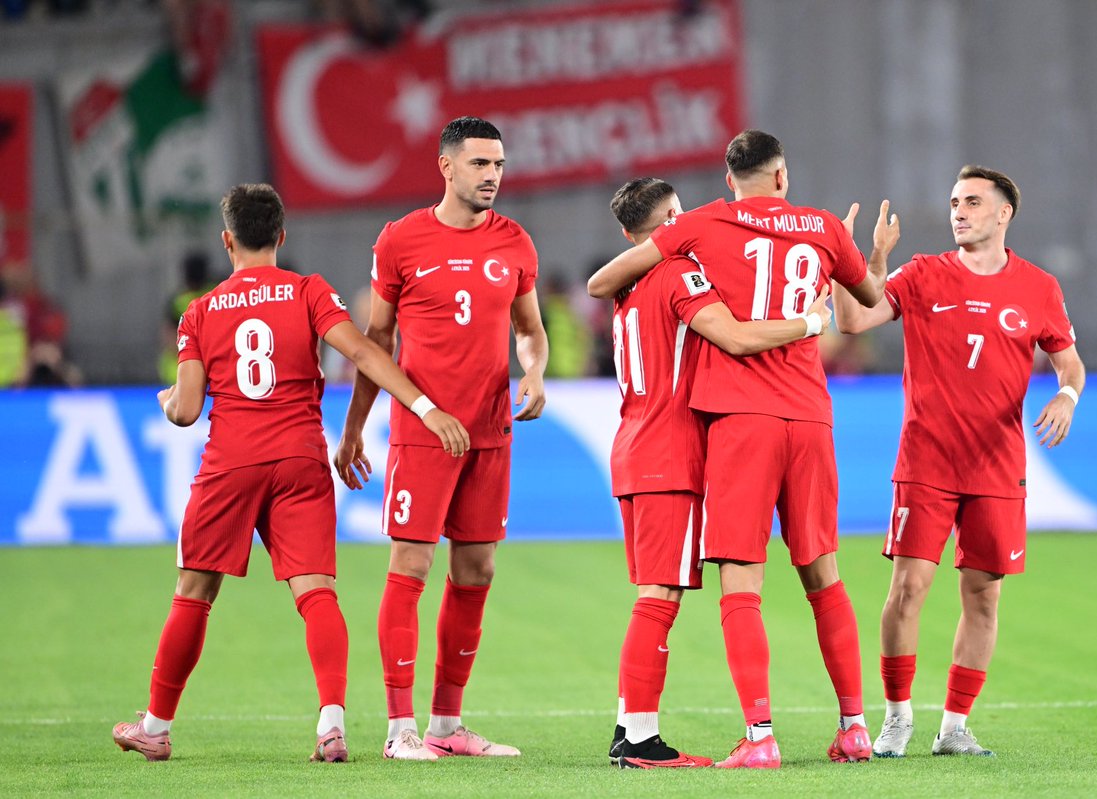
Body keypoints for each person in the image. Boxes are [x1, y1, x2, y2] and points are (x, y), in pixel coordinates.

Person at [112, 183, 469, 763]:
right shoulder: (309, 292)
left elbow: (184, 411)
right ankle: (331, 723)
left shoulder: (199, 311)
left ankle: (154, 726)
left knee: (193, 595)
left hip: (229, 464)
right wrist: (425, 408)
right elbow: (365, 354)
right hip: (301, 460)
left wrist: (163, 399)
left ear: (227, 241)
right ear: (281, 236)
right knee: (316, 594)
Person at [589, 130, 894, 768]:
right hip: (810, 417)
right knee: (824, 575)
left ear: (729, 181)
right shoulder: (820, 229)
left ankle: (757, 738)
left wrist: (668, 241)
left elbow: (601, 284)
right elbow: (868, 306)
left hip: (734, 423)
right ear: (783, 176)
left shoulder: (702, 228)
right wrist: (851, 265)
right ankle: (855, 727)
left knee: (737, 585)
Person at [832, 165, 1085, 757]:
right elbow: (851, 320)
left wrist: (1067, 396)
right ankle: (896, 718)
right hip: (927, 461)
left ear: (1004, 214)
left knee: (984, 595)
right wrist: (853, 261)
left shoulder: (1038, 287)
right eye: (953, 202)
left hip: (997, 466)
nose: (959, 211)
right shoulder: (923, 273)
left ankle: (954, 727)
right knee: (909, 588)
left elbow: (1069, 362)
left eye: (972, 202)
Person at [334, 117, 548, 761]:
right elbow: (376, 345)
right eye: (480, 164)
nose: (492, 176)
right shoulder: (401, 240)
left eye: (499, 165)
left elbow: (529, 330)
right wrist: (358, 429)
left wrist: (535, 370)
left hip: (489, 430)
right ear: (447, 167)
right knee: (412, 566)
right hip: (424, 432)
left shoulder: (515, 242)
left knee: (477, 568)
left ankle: (446, 728)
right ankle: (399, 731)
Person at [604, 177, 834, 769]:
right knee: (659, 593)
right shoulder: (678, 274)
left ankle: (630, 727)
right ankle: (637, 738)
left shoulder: (625, 285)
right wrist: (809, 324)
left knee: (657, 589)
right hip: (672, 451)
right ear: (666, 229)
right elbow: (733, 337)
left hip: (635, 445)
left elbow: (600, 279)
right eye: (681, 216)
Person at [160, 251, 218, 385]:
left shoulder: (179, 300)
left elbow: (169, 335)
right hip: (214, 366)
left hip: (182, 367)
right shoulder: (216, 294)